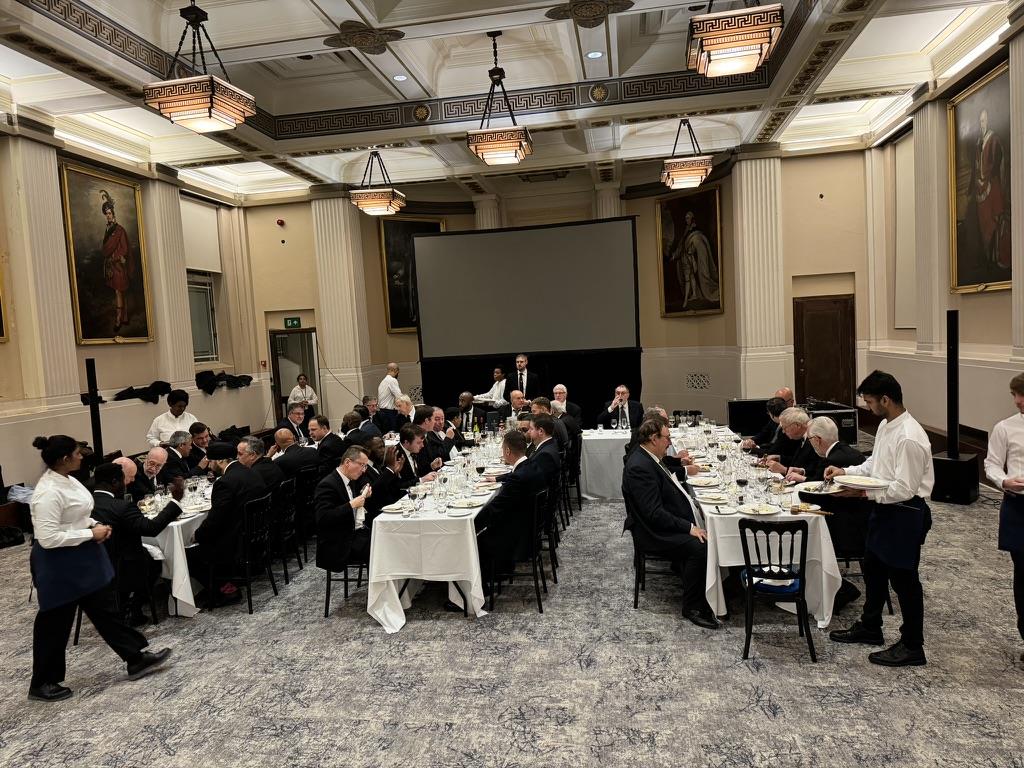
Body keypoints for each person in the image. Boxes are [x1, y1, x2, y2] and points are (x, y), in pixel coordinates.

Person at [27, 435, 172, 702]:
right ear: (64, 459)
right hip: (58, 563)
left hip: (81, 556)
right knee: (54, 622)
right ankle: (42, 682)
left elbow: (78, 514)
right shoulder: (47, 492)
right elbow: (47, 538)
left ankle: (135, 657)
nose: (81, 456)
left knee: (104, 609)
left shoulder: (69, 479)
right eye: (77, 453)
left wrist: (93, 524)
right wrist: (89, 534)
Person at [827, 371, 934, 667]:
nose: (868, 407)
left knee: (904, 580)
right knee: (873, 570)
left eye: (870, 401)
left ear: (886, 399)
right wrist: (846, 472)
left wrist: (863, 493)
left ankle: (913, 645)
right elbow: (876, 464)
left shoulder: (909, 436)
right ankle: (870, 626)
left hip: (905, 512)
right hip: (884, 510)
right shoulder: (887, 425)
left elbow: (904, 488)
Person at [621, 420, 719, 630]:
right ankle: (693, 607)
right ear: (653, 439)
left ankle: (710, 582)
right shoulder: (639, 467)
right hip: (651, 532)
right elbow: (653, 513)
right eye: (667, 438)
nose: (670, 442)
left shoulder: (649, 457)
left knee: (708, 529)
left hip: (658, 523)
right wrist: (688, 527)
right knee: (700, 545)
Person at [91, 462, 183, 625]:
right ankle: (134, 606)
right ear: (114, 482)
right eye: (124, 480)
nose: (128, 483)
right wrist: (175, 501)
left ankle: (124, 603)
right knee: (156, 559)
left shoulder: (84, 504)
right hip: (124, 567)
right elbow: (151, 528)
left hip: (94, 565)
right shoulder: (122, 507)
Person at [186, 441, 266, 606]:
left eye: (211, 461)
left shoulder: (224, 482)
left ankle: (225, 591)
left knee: (188, 554)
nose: (209, 465)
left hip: (237, 542)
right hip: (257, 533)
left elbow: (215, 520)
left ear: (220, 461)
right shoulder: (251, 472)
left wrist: (197, 535)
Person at [984, 372, 1024, 659]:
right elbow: (992, 465)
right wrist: (1004, 481)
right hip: (1018, 507)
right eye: (1014, 395)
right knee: (1023, 574)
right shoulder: (1005, 428)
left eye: (1022, 395)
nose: (1018, 401)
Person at [474, 430, 547, 584]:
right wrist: (497, 478)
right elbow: (516, 476)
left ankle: (484, 585)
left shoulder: (517, 479)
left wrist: (472, 525)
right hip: (531, 527)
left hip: (520, 537)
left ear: (507, 451)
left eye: (502, 449)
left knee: (477, 538)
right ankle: (501, 569)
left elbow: (495, 509)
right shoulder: (531, 465)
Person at [314, 446, 373, 572]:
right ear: (347, 462)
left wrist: (363, 496)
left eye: (365, 466)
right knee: (376, 549)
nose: (364, 470)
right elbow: (323, 518)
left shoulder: (350, 479)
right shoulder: (327, 485)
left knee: (383, 537)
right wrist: (351, 505)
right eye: (362, 465)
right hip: (338, 542)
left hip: (353, 532)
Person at [972, 108, 1010, 270]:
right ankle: (989, 258)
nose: (982, 124)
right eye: (980, 121)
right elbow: (977, 165)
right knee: (984, 225)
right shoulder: (978, 141)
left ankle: (998, 257)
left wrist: (986, 178)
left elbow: (996, 164)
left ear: (989, 121)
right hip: (981, 189)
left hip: (992, 187)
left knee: (995, 221)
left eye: (984, 121)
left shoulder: (994, 140)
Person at [784, 417, 864, 483]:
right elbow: (818, 474)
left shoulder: (830, 461)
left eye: (809, 439)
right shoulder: (854, 452)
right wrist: (803, 471)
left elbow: (818, 487)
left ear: (816, 440)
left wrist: (801, 479)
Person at [100, 190, 133, 332]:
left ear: (113, 213)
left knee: (119, 292)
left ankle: (119, 319)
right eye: (106, 214)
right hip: (111, 267)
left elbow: (124, 249)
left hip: (118, 266)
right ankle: (124, 318)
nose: (108, 215)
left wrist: (115, 258)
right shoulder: (108, 229)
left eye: (109, 213)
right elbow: (106, 248)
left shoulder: (120, 230)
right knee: (118, 292)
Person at [352, 438, 406, 524]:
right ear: (368, 450)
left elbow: (392, 489)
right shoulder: (362, 469)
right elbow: (373, 491)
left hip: (390, 509)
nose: (384, 451)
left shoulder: (377, 465)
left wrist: (395, 472)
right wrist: (390, 469)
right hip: (375, 516)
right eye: (380, 447)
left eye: (384, 447)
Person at [764, 408, 819, 478]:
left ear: (797, 425)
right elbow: (799, 461)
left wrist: (784, 470)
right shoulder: (801, 437)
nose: (783, 431)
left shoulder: (814, 439)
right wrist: (780, 458)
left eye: (785, 427)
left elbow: (814, 472)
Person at [526, 414, 561, 486]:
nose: (528, 431)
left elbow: (532, 479)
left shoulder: (545, 455)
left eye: (531, 429)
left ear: (541, 431)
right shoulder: (550, 443)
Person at [377, 363, 404, 431]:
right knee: (393, 433)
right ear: (395, 370)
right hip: (389, 413)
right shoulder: (392, 380)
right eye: (398, 371)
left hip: (382, 411)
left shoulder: (384, 381)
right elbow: (399, 396)